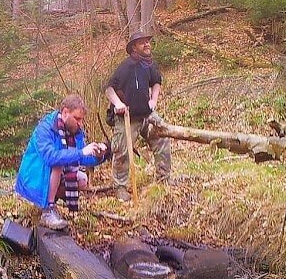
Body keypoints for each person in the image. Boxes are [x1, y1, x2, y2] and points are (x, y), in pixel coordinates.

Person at [15, 94, 108, 230]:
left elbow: (81, 158)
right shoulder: (45, 128)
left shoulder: (74, 132)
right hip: (33, 178)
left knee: (82, 180)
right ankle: (47, 210)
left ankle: (50, 204)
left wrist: (99, 156)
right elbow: (51, 157)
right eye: (77, 119)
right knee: (57, 164)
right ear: (65, 112)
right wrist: (81, 152)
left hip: (50, 176)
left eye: (81, 120)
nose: (80, 123)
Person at [105, 30, 171, 201]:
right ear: (134, 47)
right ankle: (120, 187)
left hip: (147, 115)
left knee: (163, 136)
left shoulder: (149, 65)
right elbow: (109, 88)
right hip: (127, 117)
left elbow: (156, 82)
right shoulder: (125, 67)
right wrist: (118, 104)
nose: (147, 44)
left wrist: (154, 100)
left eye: (148, 41)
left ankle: (163, 180)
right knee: (122, 151)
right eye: (142, 42)